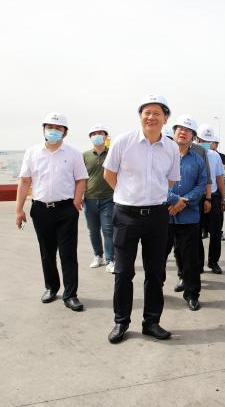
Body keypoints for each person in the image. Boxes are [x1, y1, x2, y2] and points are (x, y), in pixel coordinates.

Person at [103, 95, 181, 344]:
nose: (151, 117)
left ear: (165, 118)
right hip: (126, 215)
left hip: (157, 216)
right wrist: (128, 196)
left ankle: (151, 322)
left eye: (157, 113)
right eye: (146, 112)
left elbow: (171, 180)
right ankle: (121, 321)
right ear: (140, 116)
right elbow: (109, 174)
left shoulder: (171, 148)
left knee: (155, 272)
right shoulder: (123, 142)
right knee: (123, 272)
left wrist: (152, 196)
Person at [15, 112, 89, 311]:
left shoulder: (73, 153)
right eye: (50, 127)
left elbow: (81, 179)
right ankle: (51, 287)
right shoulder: (32, 152)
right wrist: (19, 210)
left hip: (66, 210)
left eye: (58, 128)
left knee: (68, 253)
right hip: (41, 209)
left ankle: (70, 294)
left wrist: (76, 201)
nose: (53, 131)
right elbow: (24, 181)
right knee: (47, 253)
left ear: (65, 132)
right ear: (43, 129)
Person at [166, 115, 207, 311]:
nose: (183, 132)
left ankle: (192, 294)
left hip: (189, 216)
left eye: (187, 130)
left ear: (193, 136)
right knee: (158, 257)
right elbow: (154, 181)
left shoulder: (198, 160)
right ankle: (155, 290)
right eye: (179, 129)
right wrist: (173, 199)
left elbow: (201, 185)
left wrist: (183, 202)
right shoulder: (163, 156)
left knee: (191, 259)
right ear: (174, 132)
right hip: (164, 214)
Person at [83, 124, 115, 272]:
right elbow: (80, 177)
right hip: (89, 199)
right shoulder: (85, 156)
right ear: (90, 137)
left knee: (108, 230)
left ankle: (110, 260)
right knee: (93, 230)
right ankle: (98, 256)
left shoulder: (112, 153)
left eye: (100, 133)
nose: (96, 136)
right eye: (93, 134)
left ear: (105, 136)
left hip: (109, 198)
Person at [197, 124, 225, 274]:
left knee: (215, 232)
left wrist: (224, 198)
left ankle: (213, 262)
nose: (205, 143)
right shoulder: (192, 153)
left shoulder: (215, 156)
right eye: (202, 140)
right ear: (197, 139)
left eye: (208, 141)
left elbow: (219, 178)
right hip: (197, 198)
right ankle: (198, 263)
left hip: (214, 197)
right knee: (195, 233)